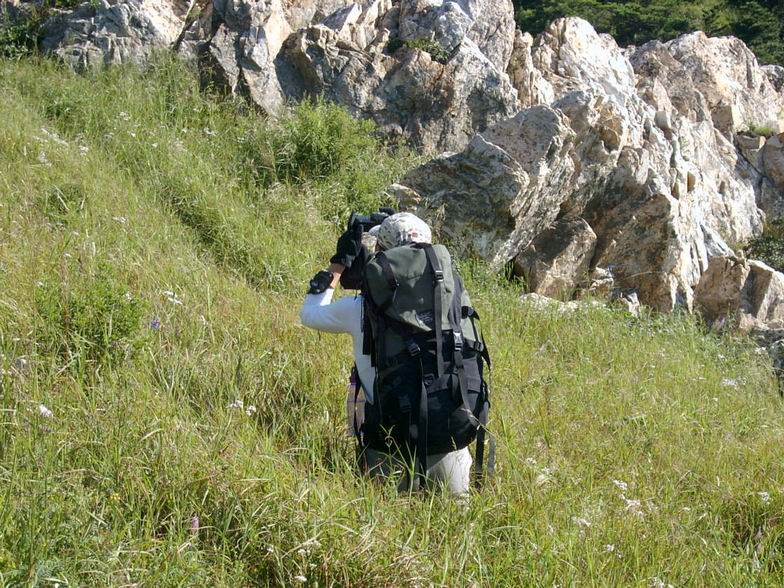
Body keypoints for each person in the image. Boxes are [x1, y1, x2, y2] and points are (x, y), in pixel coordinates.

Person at [299, 212, 473, 498]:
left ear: (381, 254)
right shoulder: (453, 304)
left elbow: (310, 314)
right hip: (450, 443)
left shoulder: (360, 308)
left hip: (389, 448)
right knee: (454, 519)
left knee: (388, 517)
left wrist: (339, 264)